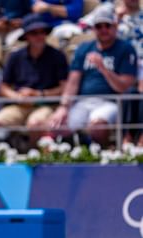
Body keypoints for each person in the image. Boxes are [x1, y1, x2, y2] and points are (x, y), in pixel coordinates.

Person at [49, 9, 138, 146]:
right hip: (83, 101)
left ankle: (102, 158)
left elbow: (124, 87)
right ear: (93, 29)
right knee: (57, 126)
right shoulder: (84, 48)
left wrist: (103, 68)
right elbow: (73, 82)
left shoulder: (125, 49)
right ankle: (71, 158)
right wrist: (64, 107)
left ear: (115, 27)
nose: (103, 30)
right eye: (99, 26)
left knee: (98, 127)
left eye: (107, 25)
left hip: (111, 101)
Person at [0, 14, 69, 145]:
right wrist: (17, 96)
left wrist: (39, 95)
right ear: (26, 37)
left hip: (46, 105)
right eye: (34, 33)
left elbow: (65, 87)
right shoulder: (15, 56)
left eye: (43, 32)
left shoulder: (57, 56)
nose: (40, 36)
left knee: (35, 123)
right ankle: (3, 158)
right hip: (19, 105)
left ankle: (33, 158)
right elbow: (3, 86)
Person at [116, 0, 143, 146]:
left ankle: (140, 139)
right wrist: (117, 19)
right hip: (122, 65)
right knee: (129, 92)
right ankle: (126, 139)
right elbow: (84, 27)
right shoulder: (112, 16)